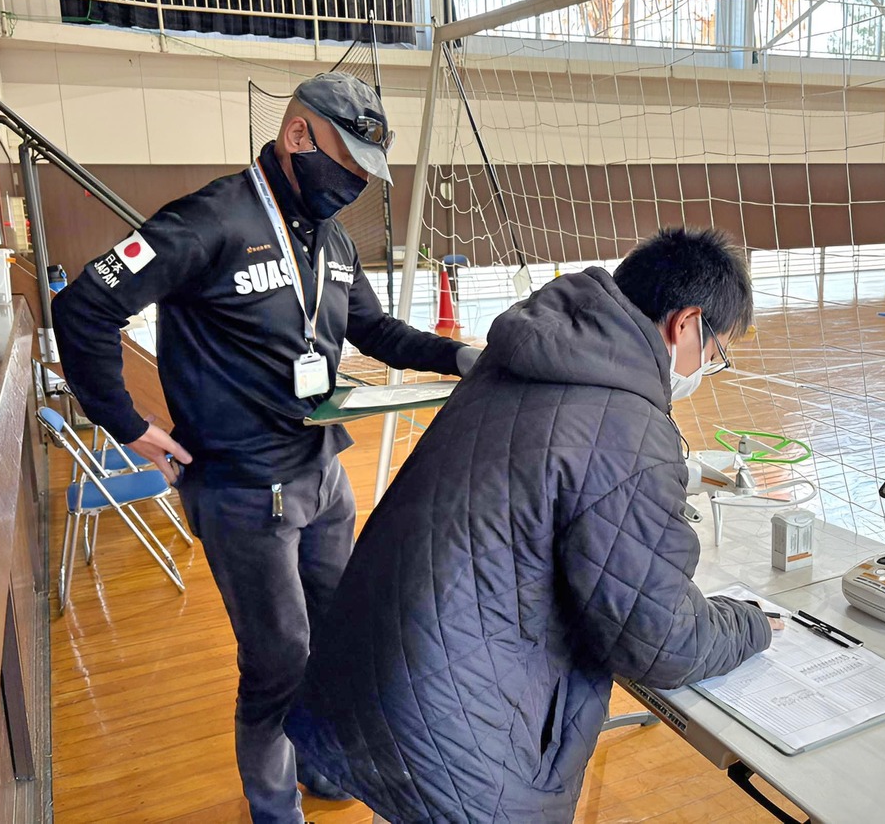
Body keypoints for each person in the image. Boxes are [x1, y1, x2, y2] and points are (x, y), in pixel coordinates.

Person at [52, 72, 479, 824]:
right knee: (278, 662)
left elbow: (374, 331)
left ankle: (318, 761)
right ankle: (275, 808)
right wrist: (126, 423)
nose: (351, 185)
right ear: (297, 136)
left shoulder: (333, 240)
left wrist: (459, 356)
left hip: (322, 475)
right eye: (346, 165)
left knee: (336, 633)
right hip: (245, 493)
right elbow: (85, 304)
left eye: (364, 176)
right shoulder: (210, 220)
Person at [286, 228, 779, 823]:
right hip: (458, 717)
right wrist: (749, 624)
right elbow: (660, 640)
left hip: (380, 665)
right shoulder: (624, 423)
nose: (707, 367)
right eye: (715, 351)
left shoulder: (516, 360)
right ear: (685, 325)